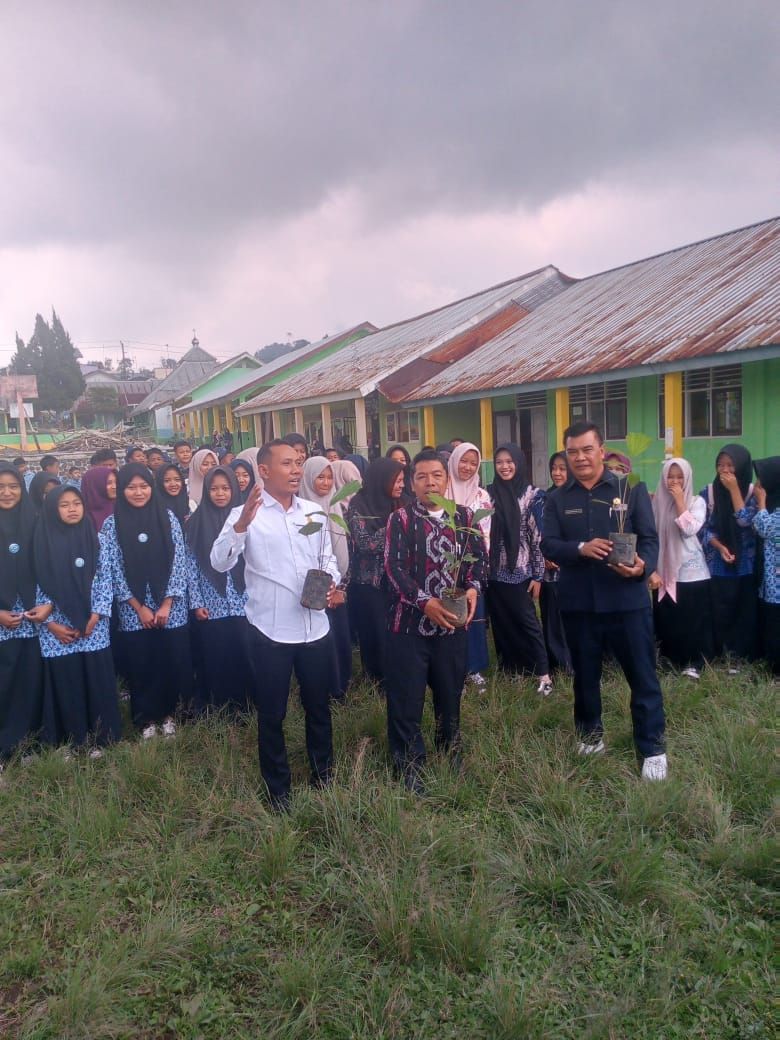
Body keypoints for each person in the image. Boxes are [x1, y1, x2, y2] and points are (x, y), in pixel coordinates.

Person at [210, 439, 343, 811]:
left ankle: (323, 775)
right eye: (287, 464)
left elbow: (327, 559)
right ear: (264, 471)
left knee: (319, 707)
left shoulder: (312, 512)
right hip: (271, 631)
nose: (296, 470)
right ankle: (278, 789)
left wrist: (331, 582)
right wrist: (240, 526)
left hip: (314, 626)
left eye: (298, 463)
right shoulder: (245, 514)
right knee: (272, 714)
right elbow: (219, 562)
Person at [541, 421, 667, 780]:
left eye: (586, 449)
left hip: (627, 601)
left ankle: (652, 747)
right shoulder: (557, 499)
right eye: (572, 452)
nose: (580, 457)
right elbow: (548, 544)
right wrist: (580, 548)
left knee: (642, 675)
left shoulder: (629, 488)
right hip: (579, 604)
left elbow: (649, 539)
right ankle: (590, 734)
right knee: (584, 675)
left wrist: (642, 567)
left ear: (601, 450)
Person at [384, 449, 485, 794]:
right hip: (409, 627)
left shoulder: (465, 518)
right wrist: (424, 602)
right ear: (412, 483)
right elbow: (394, 569)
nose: (430, 482)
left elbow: (478, 562)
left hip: (452, 625)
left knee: (449, 693)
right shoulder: (400, 520)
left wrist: (472, 588)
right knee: (407, 697)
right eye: (422, 476)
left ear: (447, 480)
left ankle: (450, 749)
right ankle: (409, 763)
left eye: (437, 475)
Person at [99, 463, 192, 739]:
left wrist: (166, 604)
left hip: (170, 607)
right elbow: (114, 569)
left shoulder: (167, 517)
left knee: (171, 659)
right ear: (121, 490)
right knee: (142, 663)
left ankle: (172, 714)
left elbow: (180, 561)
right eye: (131, 487)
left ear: (152, 487)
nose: (138, 492)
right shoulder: (112, 524)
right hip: (134, 610)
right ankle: (146, 719)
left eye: (144, 486)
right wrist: (139, 607)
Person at [30, 485, 121, 754]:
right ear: (52, 509)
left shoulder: (96, 538)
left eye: (77, 503)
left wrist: (96, 614)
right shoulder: (42, 542)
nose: (72, 509)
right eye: (64, 505)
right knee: (67, 681)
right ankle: (72, 740)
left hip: (94, 624)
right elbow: (37, 585)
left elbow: (106, 578)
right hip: (58, 628)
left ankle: (102, 737)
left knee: (96, 679)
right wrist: (51, 624)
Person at [186, 467, 254, 716]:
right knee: (218, 654)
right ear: (206, 491)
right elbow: (191, 565)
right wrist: (196, 602)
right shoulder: (195, 523)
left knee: (245, 651)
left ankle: (249, 705)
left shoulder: (247, 518)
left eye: (225, 488)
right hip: (212, 601)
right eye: (214, 489)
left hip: (245, 599)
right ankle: (221, 708)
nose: (220, 493)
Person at [487, 444, 553, 695]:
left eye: (509, 461)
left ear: (519, 463)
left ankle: (544, 674)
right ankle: (512, 669)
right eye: (499, 462)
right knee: (502, 622)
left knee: (528, 623)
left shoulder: (532, 496)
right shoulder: (489, 494)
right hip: (494, 573)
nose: (504, 467)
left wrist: (538, 575)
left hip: (521, 572)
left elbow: (537, 539)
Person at [648, 459, 714, 678]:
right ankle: (669, 660)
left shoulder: (696, 502)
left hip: (691, 573)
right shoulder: (656, 503)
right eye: (670, 476)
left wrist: (679, 501)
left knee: (692, 619)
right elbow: (649, 535)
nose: (674, 481)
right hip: (663, 571)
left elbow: (689, 529)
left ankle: (694, 663)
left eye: (679, 477)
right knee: (668, 618)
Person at [347, 457, 406, 689]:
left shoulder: (404, 502)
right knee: (374, 631)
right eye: (397, 481)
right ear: (382, 480)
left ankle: (397, 675)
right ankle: (375, 679)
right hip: (369, 582)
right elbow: (365, 543)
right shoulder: (359, 505)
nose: (402, 485)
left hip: (398, 580)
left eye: (403, 480)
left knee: (395, 631)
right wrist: (395, 526)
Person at [0, 463, 43, 767]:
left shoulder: (35, 522)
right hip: (2, 619)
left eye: (13, 486)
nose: (7, 492)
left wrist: (44, 607)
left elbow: (49, 567)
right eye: (1, 487)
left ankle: (28, 742)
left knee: (30, 679)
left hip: (32, 617)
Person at [699, 444, 758, 665]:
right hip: (717, 563)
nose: (725, 470)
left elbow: (745, 521)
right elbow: (703, 528)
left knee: (743, 610)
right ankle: (718, 653)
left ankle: (739, 656)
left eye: (730, 465)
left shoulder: (752, 493)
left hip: (746, 564)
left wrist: (734, 490)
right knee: (719, 609)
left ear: (741, 467)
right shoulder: (709, 492)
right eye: (720, 465)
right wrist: (719, 546)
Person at [301, 457, 352, 700]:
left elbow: (346, 550)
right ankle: (320, 688)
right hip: (310, 588)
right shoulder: (300, 511)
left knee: (338, 636)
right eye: (320, 477)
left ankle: (340, 686)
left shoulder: (337, 507)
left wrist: (340, 586)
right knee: (317, 642)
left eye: (330, 477)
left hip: (336, 585)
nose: (326, 482)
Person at [446, 442, 492, 689]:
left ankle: (473, 668)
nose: (468, 467)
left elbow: (485, 535)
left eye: (473, 463)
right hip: (445, 566)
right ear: (454, 461)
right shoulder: (443, 491)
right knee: (450, 618)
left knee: (473, 617)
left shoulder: (481, 496)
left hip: (473, 565)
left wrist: (477, 567)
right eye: (463, 461)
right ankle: (453, 669)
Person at [534, 452, 573, 674]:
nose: (557, 473)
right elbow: (536, 533)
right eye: (554, 468)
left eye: (562, 468)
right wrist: (545, 556)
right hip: (550, 570)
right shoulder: (544, 498)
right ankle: (558, 663)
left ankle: (574, 660)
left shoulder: (578, 497)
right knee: (551, 618)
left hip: (573, 569)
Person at [752, 457, 780, 675]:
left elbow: (766, 529)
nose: (757, 485)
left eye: (761, 480)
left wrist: (761, 503)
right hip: (770, 579)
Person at [81, 466, 117, 533]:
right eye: (109, 483)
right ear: (94, 486)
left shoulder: (120, 508)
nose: (114, 487)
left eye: (116, 482)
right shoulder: (82, 518)